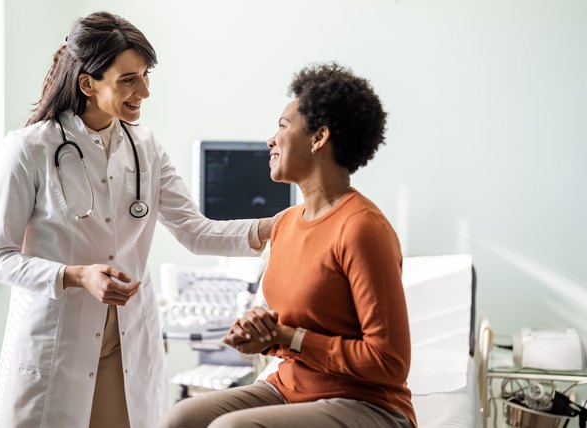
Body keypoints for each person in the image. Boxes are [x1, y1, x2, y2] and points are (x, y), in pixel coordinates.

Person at [0, 11, 277, 428]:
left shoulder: (145, 147)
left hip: (126, 346)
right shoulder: (31, 148)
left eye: (145, 75)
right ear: (88, 83)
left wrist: (278, 226)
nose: (144, 91)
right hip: (58, 345)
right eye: (128, 79)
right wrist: (76, 275)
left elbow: (195, 231)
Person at [159, 62, 416, 428]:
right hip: (292, 387)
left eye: (282, 126)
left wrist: (289, 338)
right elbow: (295, 325)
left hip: (367, 403)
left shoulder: (362, 229)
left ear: (318, 138)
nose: (270, 140)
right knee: (180, 418)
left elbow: (389, 362)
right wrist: (261, 335)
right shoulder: (286, 223)